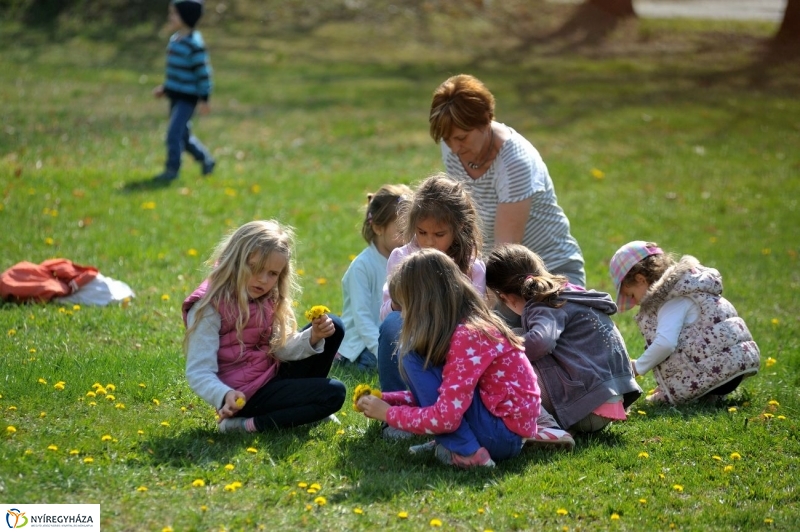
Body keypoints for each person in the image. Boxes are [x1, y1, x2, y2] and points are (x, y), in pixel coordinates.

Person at [357, 249, 546, 468]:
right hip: (502, 430)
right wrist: (386, 399)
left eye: (405, 307)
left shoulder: (468, 336)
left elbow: (447, 417)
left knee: (410, 354)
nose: (403, 316)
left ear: (424, 307)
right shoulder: (469, 328)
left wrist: (389, 414)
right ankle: (450, 442)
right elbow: (445, 393)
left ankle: (468, 452)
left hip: (500, 436)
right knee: (419, 357)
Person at [428, 74, 585, 326]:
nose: (454, 148)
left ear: (485, 121)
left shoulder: (516, 164)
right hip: (495, 276)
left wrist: (474, 311)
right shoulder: (454, 148)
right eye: (447, 140)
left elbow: (506, 253)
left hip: (547, 275)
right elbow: (463, 219)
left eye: (461, 138)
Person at [182, 220, 346, 432]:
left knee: (334, 328)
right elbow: (199, 371)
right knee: (334, 393)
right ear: (234, 260)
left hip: (271, 375)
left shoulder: (267, 296)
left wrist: (313, 336)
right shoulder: (209, 306)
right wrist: (223, 395)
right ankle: (244, 425)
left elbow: (281, 347)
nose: (262, 280)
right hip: (243, 397)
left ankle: (307, 406)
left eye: (272, 274)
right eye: (254, 268)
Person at [486, 244, 641, 433]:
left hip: (587, 409)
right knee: (518, 336)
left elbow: (540, 342)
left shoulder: (543, 304)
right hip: (614, 395)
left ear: (506, 298)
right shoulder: (570, 292)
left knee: (511, 352)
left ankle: (547, 427)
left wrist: (499, 350)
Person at [609, 241, 760, 405]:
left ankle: (685, 393)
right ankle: (706, 395)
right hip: (735, 364)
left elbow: (665, 344)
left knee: (657, 401)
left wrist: (637, 367)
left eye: (631, 295)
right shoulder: (688, 288)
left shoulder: (671, 301)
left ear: (640, 279)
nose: (635, 302)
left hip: (720, 369)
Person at [377, 173, 485, 395]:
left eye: (439, 234)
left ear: (459, 227)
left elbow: (479, 319)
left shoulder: (471, 266)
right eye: (422, 232)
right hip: (413, 340)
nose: (428, 241)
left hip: (452, 348)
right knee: (391, 325)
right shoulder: (401, 257)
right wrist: (399, 301)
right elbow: (386, 315)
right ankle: (394, 405)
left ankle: (451, 401)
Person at [337, 184, 412, 372]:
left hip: (392, 340)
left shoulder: (408, 261)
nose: (409, 237)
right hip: (361, 345)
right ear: (378, 228)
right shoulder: (362, 267)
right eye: (401, 230)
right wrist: (383, 352)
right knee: (382, 366)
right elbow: (362, 320)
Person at [151, 0, 215, 184]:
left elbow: (204, 75)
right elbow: (176, 72)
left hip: (188, 98)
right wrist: (165, 88)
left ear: (185, 18)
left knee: (174, 133)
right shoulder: (175, 40)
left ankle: (172, 170)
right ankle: (206, 160)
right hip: (175, 95)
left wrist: (204, 99)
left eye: (174, 14)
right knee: (183, 137)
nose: (170, 17)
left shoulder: (194, 45)